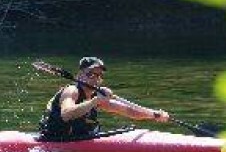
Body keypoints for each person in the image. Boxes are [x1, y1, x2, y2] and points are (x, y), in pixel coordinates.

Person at [38, 56, 170, 140]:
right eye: (90, 74)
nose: (95, 79)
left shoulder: (96, 96)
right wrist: (95, 101)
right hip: (56, 140)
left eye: (99, 75)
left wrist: (155, 115)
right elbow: (66, 114)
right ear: (79, 76)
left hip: (80, 138)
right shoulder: (71, 91)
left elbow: (129, 111)